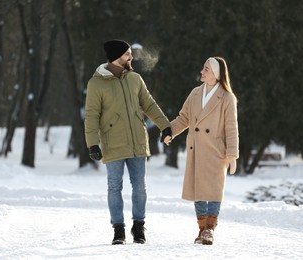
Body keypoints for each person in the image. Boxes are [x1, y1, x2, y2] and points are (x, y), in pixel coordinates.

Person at [84, 39, 172, 245]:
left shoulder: (135, 79)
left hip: (137, 141)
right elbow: (91, 115)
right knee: (114, 187)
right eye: (127, 54)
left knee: (139, 186)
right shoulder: (96, 83)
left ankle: (138, 226)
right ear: (116, 57)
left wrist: (164, 125)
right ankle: (118, 229)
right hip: (112, 142)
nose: (131, 57)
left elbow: (149, 104)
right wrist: (92, 143)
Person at [164, 57, 239, 245]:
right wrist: (169, 131)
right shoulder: (195, 93)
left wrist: (232, 154)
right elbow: (183, 118)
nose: (202, 71)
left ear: (216, 73)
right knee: (198, 191)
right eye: (203, 68)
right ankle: (201, 229)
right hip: (196, 149)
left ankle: (210, 229)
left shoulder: (227, 97)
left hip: (216, 151)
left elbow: (231, 127)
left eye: (206, 69)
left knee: (213, 191)